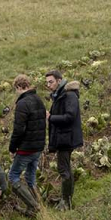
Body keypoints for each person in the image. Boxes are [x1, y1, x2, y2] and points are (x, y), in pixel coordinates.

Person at [8, 74, 46, 217]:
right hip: (38, 146)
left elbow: (19, 129)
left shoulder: (22, 104)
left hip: (26, 148)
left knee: (13, 177)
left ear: (18, 87)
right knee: (30, 177)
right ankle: (37, 206)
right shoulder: (38, 100)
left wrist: (12, 148)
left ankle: (34, 206)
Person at [45, 70, 83, 210]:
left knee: (63, 169)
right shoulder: (60, 95)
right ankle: (66, 199)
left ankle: (66, 202)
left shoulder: (69, 96)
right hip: (63, 137)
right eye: (47, 82)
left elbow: (69, 117)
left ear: (59, 80)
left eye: (51, 82)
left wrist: (50, 117)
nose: (48, 85)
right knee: (66, 168)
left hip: (67, 138)